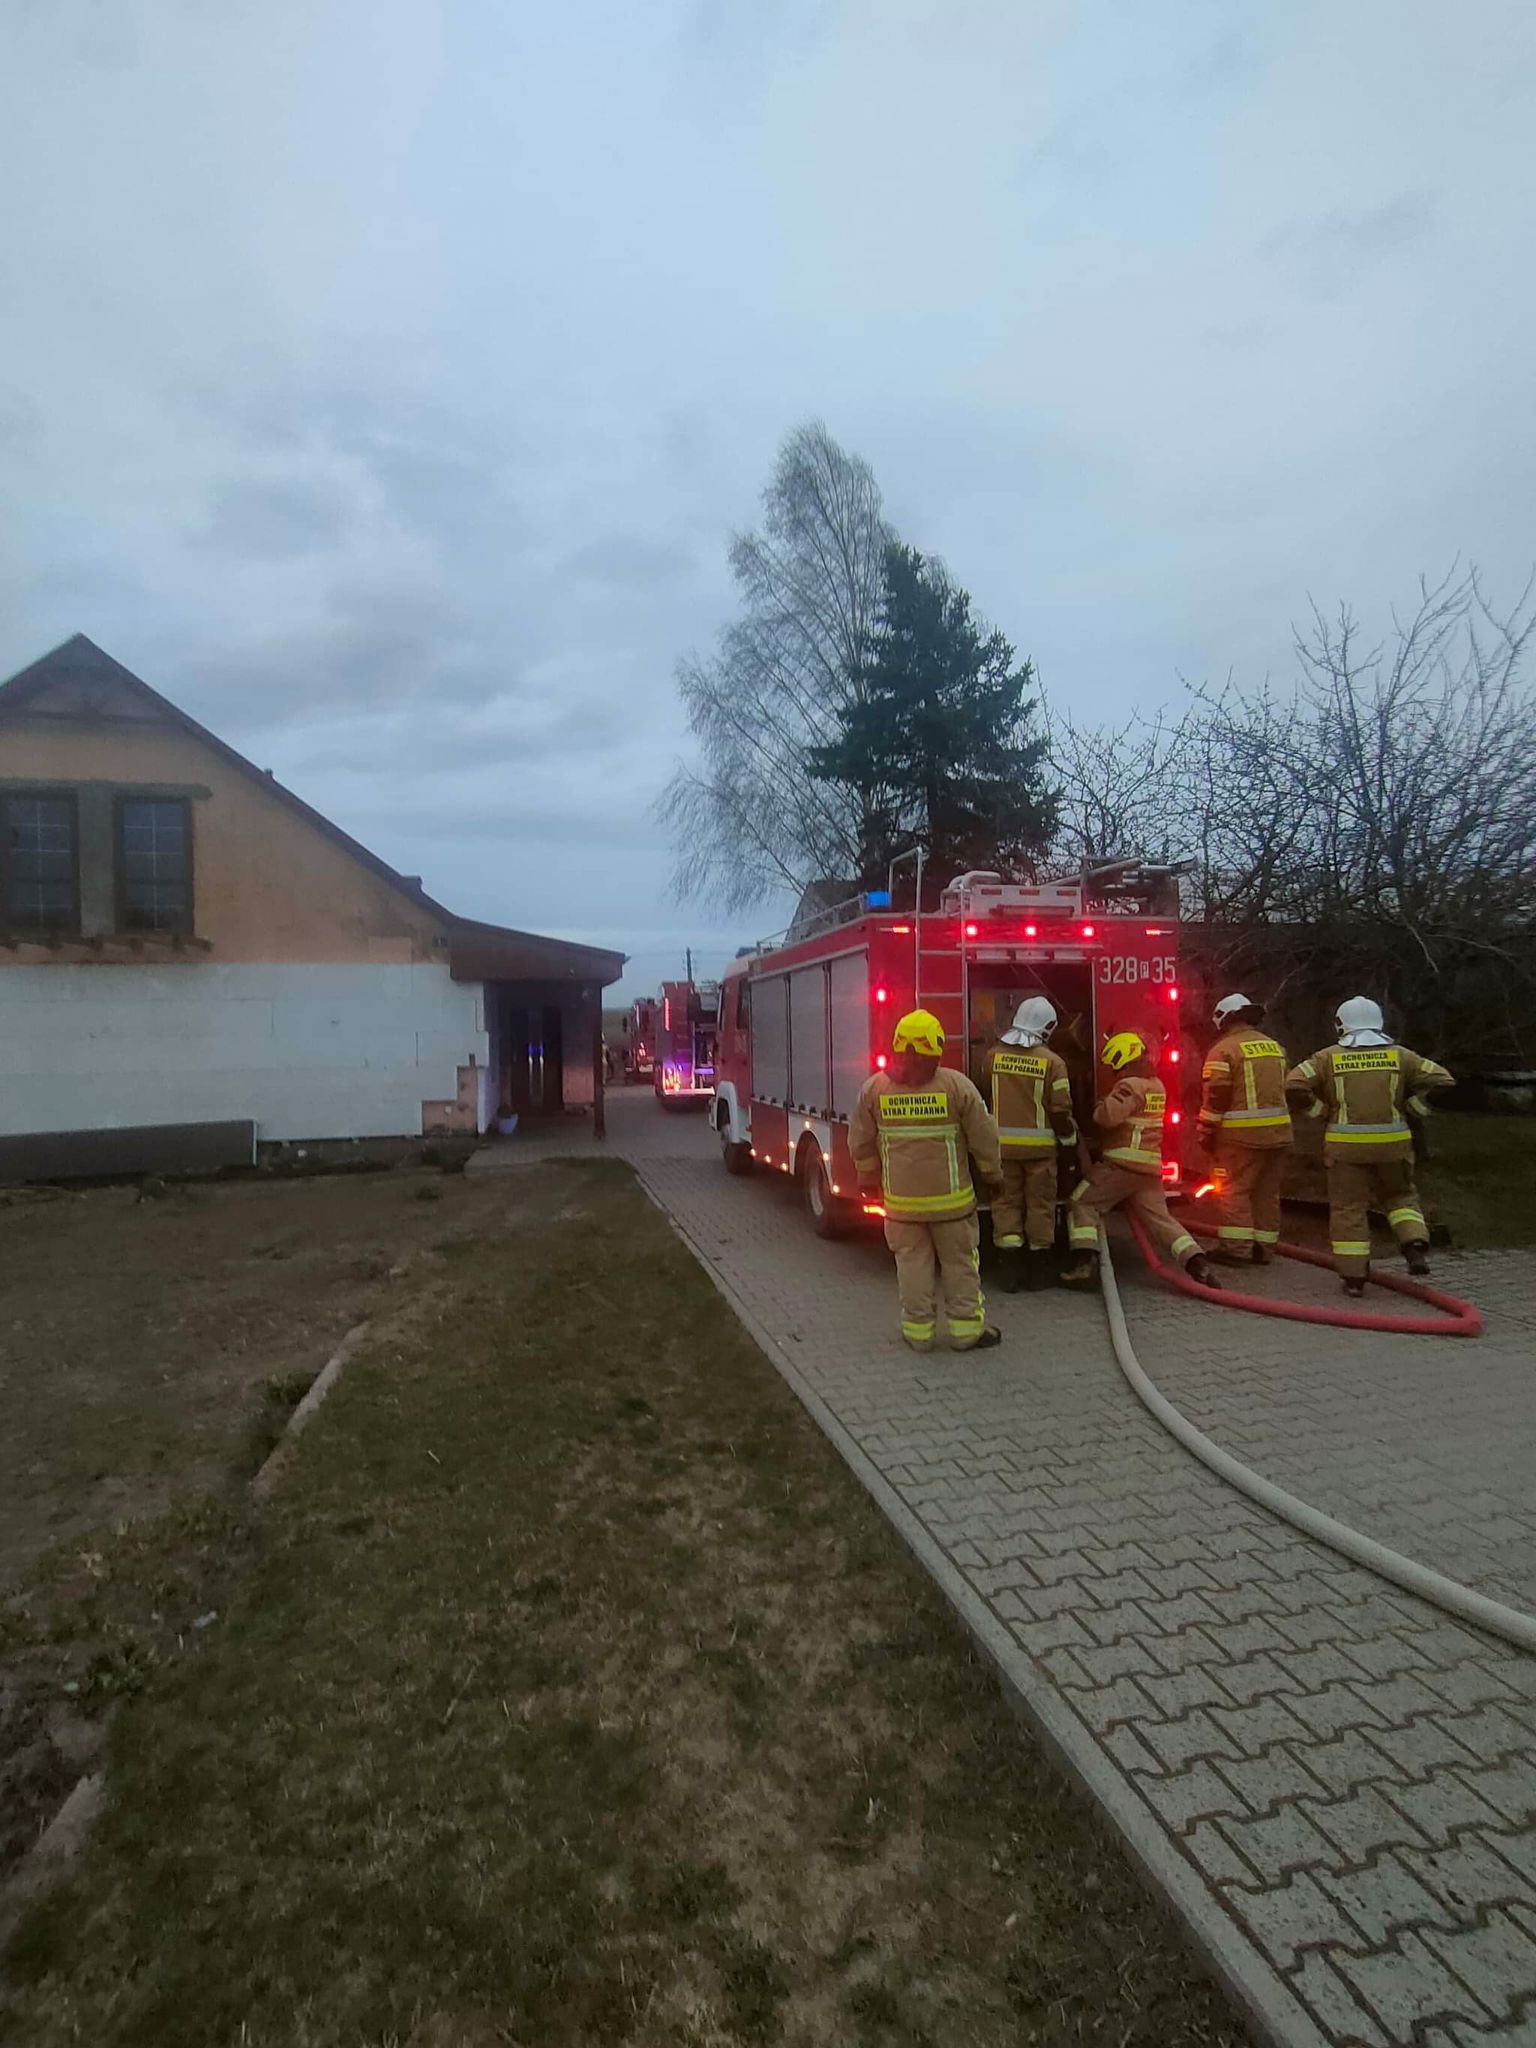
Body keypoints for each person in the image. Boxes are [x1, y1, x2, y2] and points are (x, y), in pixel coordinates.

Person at [850, 1008, 1005, 1353]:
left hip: (902, 1208)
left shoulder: (875, 1089)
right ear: (935, 1049)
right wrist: (993, 1175)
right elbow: (984, 1136)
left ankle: (918, 1335)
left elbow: (860, 1139)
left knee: (911, 1268)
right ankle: (966, 1332)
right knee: (960, 1266)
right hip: (952, 1206)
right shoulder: (956, 1086)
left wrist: (867, 1178)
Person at [1286, 997, 1453, 1296]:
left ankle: (1354, 1279)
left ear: (1341, 1024)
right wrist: (1414, 1109)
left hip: (1345, 1149)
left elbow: (1294, 1085)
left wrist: (1320, 1112)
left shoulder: (1328, 1058)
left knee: (1348, 1209)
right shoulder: (1401, 1056)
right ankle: (1414, 1245)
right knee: (1400, 1197)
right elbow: (1444, 1081)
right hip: (1393, 1146)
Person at [1060, 1032, 1223, 1290]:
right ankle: (1197, 1262)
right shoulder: (1156, 1085)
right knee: (1161, 1220)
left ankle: (1085, 1265)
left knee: (1081, 1203)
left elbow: (1106, 1118)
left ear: (1121, 1058)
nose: (1112, 1071)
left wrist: (1100, 1102)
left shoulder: (1129, 1086)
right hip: (1148, 1171)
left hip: (1120, 1167)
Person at [977, 997, 1078, 1292]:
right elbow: (1060, 1111)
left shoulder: (992, 1057)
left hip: (1002, 1150)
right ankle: (1039, 1272)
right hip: (1041, 1153)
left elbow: (983, 1096)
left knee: (1005, 1205)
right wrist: (1069, 1145)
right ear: (1047, 1027)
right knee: (1040, 1208)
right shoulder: (1053, 1063)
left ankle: (1010, 1271)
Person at [1197, 993, 1294, 1265]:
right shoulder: (1276, 1048)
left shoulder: (1223, 1050)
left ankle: (1236, 1249)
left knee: (1232, 1191)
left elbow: (1217, 1096)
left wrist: (1206, 1131)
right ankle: (1264, 1249)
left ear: (1224, 1019)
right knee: (1266, 1193)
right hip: (1279, 1135)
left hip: (1240, 1138)